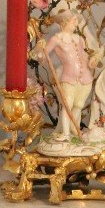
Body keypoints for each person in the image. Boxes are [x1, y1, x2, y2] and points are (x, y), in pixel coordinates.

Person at [38, 9, 96, 140]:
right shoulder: (57, 39)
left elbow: (84, 56)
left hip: (85, 77)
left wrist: (92, 61)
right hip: (69, 77)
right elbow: (43, 55)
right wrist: (40, 50)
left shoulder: (79, 39)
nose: (76, 23)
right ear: (65, 22)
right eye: (74, 20)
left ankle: (73, 129)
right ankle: (65, 134)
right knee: (67, 105)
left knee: (78, 105)